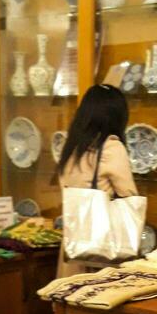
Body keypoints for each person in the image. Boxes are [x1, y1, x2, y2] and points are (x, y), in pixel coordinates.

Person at [57, 84, 137, 276]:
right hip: (101, 249)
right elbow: (129, 196)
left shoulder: (72, 147)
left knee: (71, 298)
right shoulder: (111, 148)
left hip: (73, 244)